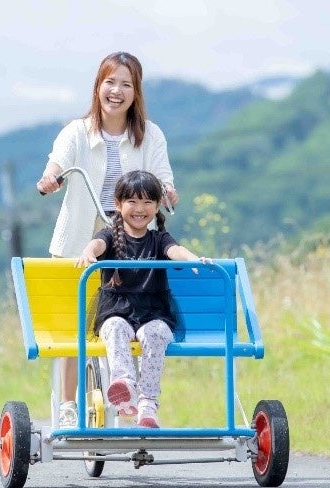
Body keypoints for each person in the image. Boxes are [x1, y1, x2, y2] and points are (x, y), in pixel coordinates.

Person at [35, 52, 180, 428]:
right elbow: (58, 162)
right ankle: (67, 407)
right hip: (78, 241)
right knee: (72, 328)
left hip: (129, 242)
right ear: (98, 86)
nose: (116, 91)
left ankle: (131, 399)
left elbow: (163, 176)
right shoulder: (78, 131)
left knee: (130, 316)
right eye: (109, 82)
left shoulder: (150, 134)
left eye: (126, 84)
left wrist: (167, 190)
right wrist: (51, 178)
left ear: (136, 92)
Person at [76, 170, 211, 428]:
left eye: (148, 202)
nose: (140, 209)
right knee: (115, 328)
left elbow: (175, 251)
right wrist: (88, 252)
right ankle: (124, 384)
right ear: (118, 204)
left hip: (154, 313)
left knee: (157, 332)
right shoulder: (109, 236)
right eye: (133, 202)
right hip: (116, 312)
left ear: (158, 205)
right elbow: (97, 246)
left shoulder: (159, 239)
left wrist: (192, 258)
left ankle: (148, 404)